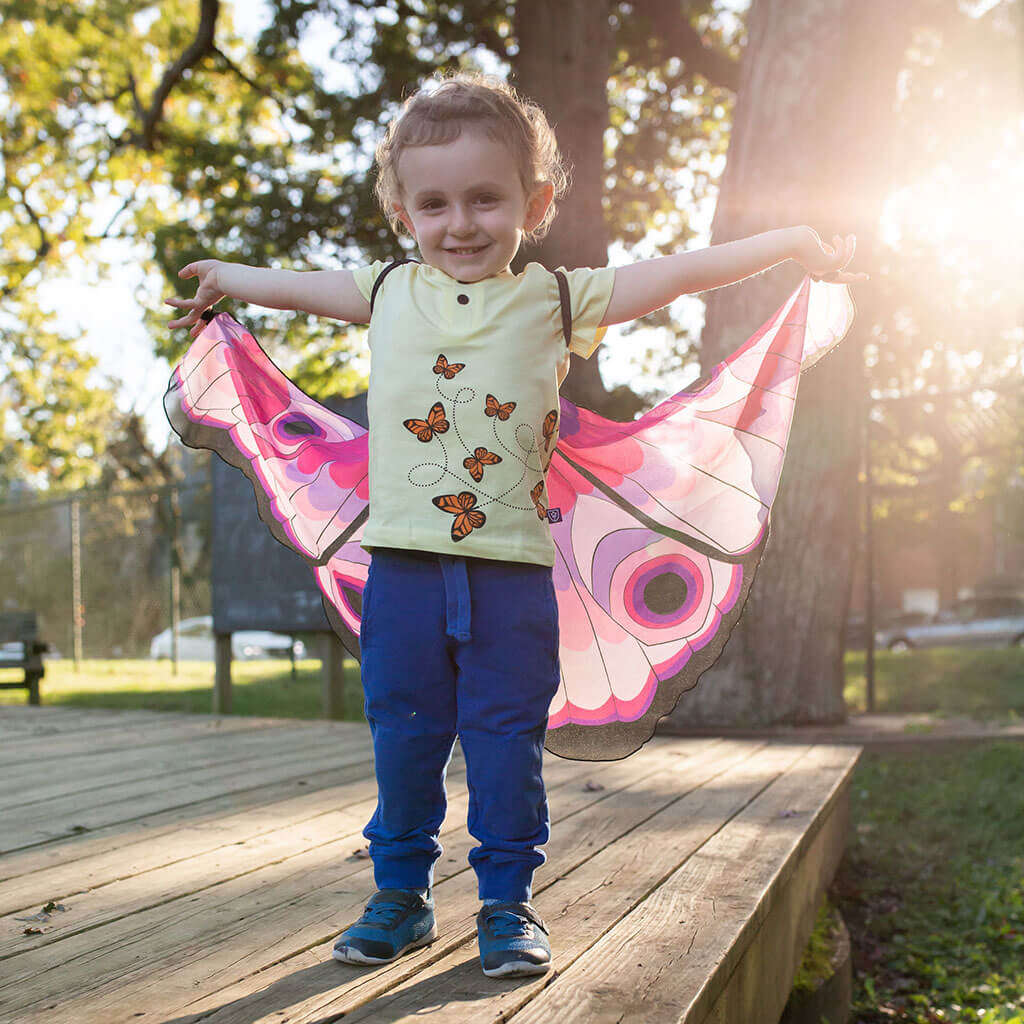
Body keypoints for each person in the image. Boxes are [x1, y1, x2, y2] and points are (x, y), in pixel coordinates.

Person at [166, 72, 866, 979]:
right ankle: (400, 899)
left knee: (505, 745)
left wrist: (787, 245)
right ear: (401, 210)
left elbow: (682, 272)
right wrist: (227, 279)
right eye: (435, 203)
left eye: (486, 199)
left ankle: (507, 906)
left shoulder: (556, 300)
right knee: (405, 737)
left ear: (532, 204)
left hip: (510, 579)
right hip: (404, 577)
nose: (460, 222)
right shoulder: (385, 294)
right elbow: (293, 288)